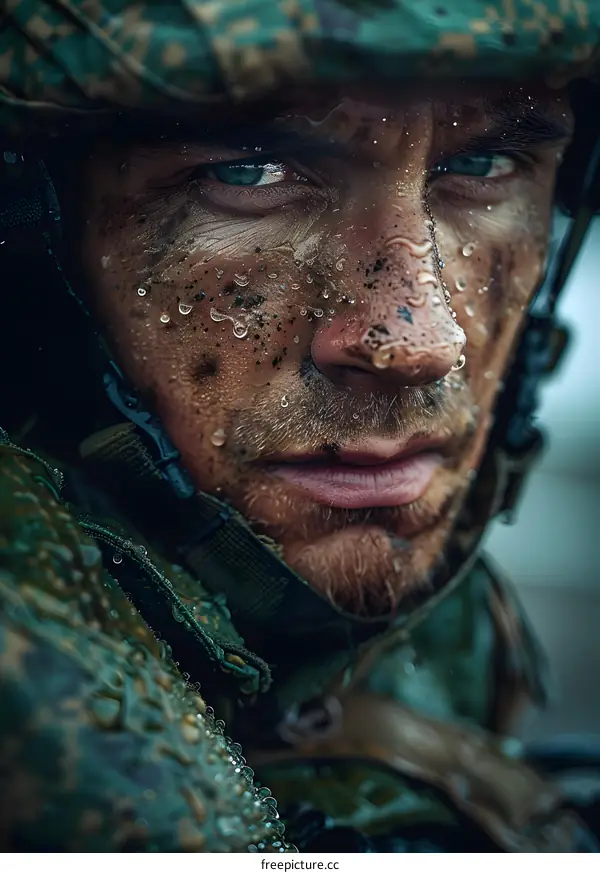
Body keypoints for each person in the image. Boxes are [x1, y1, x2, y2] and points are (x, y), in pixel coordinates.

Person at [0, 0, 598, 853]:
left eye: (486, 163)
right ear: (31, 239)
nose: (413, 342)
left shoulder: (436, 621)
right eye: (249, 175)